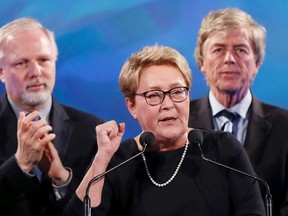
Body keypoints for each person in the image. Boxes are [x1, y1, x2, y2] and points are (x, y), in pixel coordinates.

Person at [63, 45, 265, 216]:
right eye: (154, 95)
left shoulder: (221, 149)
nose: (168, 104)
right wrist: (101, 160)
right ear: (131, 106)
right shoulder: (117, 161)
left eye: (177, 92)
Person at [188, 8, 288, 216]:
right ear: (201, 63)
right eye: (218, 49)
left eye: (241, 50)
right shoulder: (178, 120)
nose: (229, 59)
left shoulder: (285, 126)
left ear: (257, 62)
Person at [0, 17, 104, 216]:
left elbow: (101, 210)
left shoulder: (91, 131)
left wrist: (62, 179)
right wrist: (20, 164)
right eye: (22, 63)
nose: (36, 72)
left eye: (43, 60)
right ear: (1, 72)